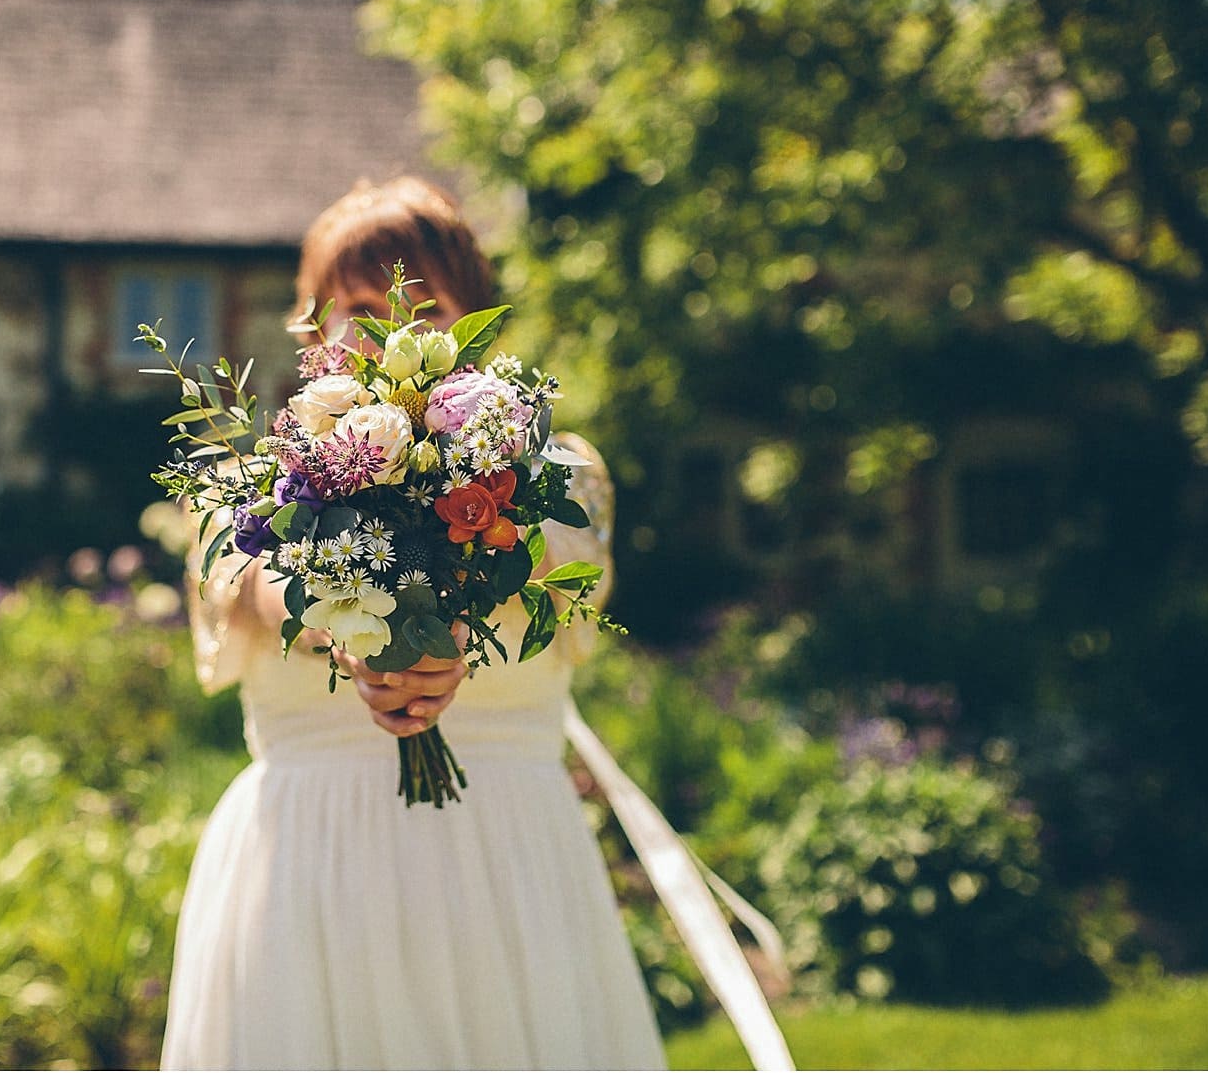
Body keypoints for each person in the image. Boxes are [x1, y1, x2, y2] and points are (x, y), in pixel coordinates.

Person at [158, 178, 778, 1070]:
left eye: (380, 305)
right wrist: (350, 628)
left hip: (504, 867)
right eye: (322, 313)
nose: (349, 336)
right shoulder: (250, 488)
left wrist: (441, 630)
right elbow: (249, 580)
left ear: (470, 321)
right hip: (307, 871)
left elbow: (541, 568)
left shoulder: (559, 474)